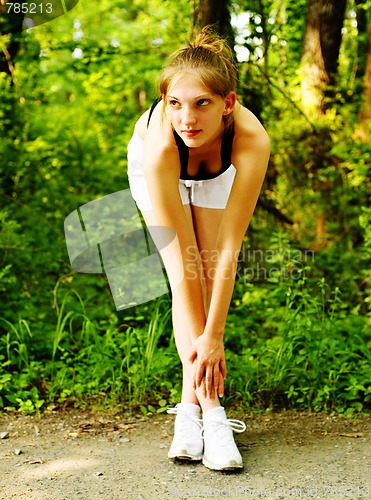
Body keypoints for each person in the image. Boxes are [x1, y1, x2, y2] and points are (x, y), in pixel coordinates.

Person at [127, 27, 270, 471]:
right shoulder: (159, 149)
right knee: (186, 276)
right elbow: (180, 272)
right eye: (175, 104)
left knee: (208, 270)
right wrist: (205, 341)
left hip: (217, 171)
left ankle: (191, 410)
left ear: (227, 103)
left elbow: (230, 248)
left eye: (202, 103)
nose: (187, 118)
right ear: (164, 104)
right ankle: (210, 414)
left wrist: (216, 337)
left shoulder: (250, 140)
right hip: (160, 174)